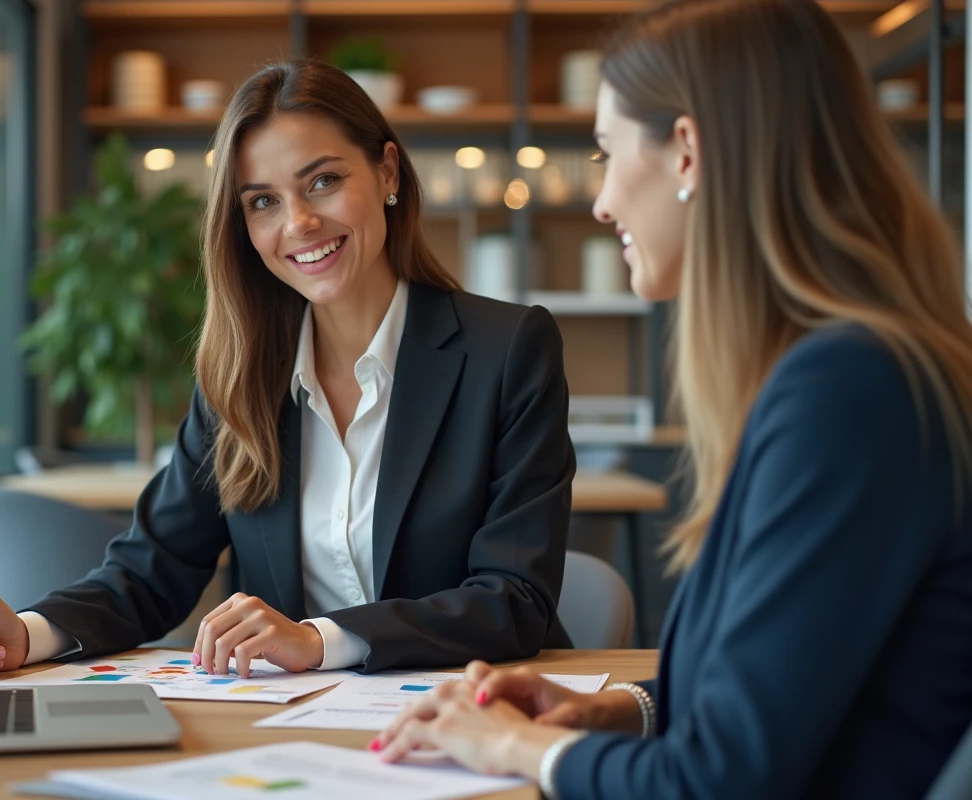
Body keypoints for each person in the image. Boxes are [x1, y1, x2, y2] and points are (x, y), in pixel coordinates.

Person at [373, 1, 972, 797]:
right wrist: (620, 710)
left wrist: (514, 748)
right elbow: (789, 688)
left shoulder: (847, 390)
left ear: (687, 152)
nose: (601, 202)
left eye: (607, 153)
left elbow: (724, 780)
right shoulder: (853, 368)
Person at [0, 60, 576, 680]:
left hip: (472, 710)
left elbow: (514, 599)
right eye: (263, 201)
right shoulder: (241, 376)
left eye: (323, 180)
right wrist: (27, 634)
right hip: (298, 723)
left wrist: (318, 640)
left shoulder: (506, 349)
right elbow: (152, 570)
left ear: (387, 172)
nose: (299, 223)